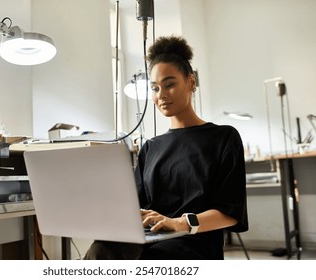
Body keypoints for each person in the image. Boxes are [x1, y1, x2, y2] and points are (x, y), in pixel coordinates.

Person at [84, 35, 248, 260]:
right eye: (154, 88)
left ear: (190, 83)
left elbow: (230, 213)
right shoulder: (150, 148)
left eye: (169, 84)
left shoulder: (223, 138)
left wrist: (180, 223)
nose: (161, 94)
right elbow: (135, 207)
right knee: (102, 249)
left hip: (193, 244)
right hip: (149, 238)